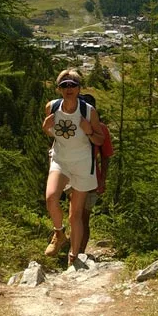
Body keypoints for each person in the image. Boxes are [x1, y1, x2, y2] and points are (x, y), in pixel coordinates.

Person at [41, 69, 105, 265]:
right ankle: (59, 234)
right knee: (51, 196)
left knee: (75, 214)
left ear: (79, 88)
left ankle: (74, 257)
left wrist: (89, 131)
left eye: (72, 85)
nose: (68, 89)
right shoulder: (52, 107)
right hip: (61, 160)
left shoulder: (88, 111)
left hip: (83, 163)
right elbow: (54, 134)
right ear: (59, 88)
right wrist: (45, 128)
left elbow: (100, 139)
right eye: (64, 85)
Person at [74, 93, 114, 256]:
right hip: (72, 177)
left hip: (91, 179)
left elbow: (105, 156)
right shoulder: (74, 124)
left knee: (82, 217)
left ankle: (78, 253)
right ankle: (74, 251)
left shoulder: (101, 129)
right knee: (75, 216)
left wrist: (102, 179)